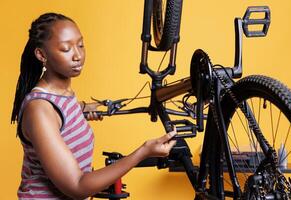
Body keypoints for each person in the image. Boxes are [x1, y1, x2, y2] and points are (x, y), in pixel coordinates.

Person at [11, 13, 177, 199]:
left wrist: (82, 108)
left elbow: (63, 119)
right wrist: (142, 152)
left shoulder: (63, 97)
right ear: (41, 55)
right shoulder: (39, 110)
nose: (78, 55)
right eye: (66, 49)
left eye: (81, 45)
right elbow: (77, 186)